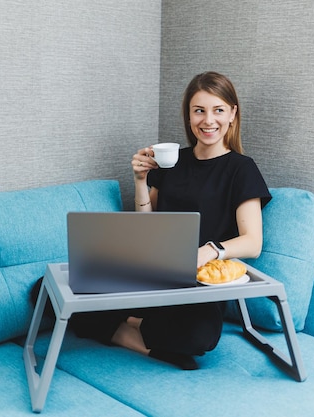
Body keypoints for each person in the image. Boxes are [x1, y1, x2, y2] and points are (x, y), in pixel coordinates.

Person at [70, 71, 271, 370]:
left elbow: (252, 242)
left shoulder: (242, 169)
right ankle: (136, 334)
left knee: (199, 336)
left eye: (218, 110)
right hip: (154, 273)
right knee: (48, 291)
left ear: (232, 113)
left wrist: (209, 251)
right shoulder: (173, 161)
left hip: (199, 284)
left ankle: (119, 328)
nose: (208, 120)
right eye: (199, 110)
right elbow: (146, 226)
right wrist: (140, 180)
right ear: (189, 116)